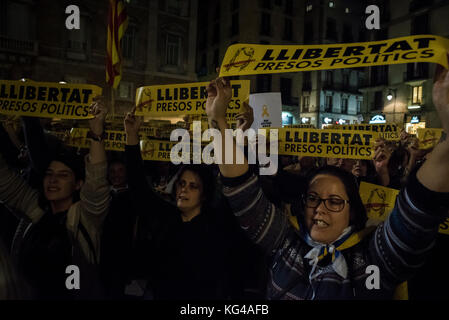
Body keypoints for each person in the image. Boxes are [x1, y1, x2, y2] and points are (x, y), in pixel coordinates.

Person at [204, 67, 449, 299]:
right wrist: (216, 118)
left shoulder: (374, 260)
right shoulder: (286, 244)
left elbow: (419, 209)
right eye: (313, 198)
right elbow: (241, 190)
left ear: (352, 211)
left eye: (334, 201)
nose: (319, 208)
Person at [123, 110, 251, 300]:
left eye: (193, 186)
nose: (184, 190)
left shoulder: (216, 224)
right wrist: (131, 136)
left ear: (204, 194)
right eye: (182, 184)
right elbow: (138, 188)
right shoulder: (166, 217)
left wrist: (240, 138)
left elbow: (236, 183)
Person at [0, 98, 110, 299]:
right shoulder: (35, 209)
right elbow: (5, 182)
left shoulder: (85, 217)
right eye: (49, 173)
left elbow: (97, 179)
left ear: (78, 184)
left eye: (63, 175)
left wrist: (96, 134)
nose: (53, 180)